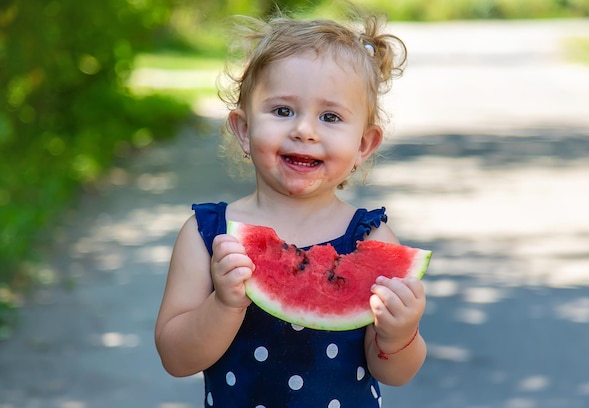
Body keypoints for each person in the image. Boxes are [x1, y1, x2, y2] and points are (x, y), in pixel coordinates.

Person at [155, 5, 427, 407]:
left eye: (331, 116)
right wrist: (223, 306)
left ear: (364, 145)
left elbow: (396, 373)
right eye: (283, 111)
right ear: (244, 130)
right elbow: (175, 358)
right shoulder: (207, 235)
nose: (304, 130)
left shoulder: (371, 237)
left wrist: (399, 334)